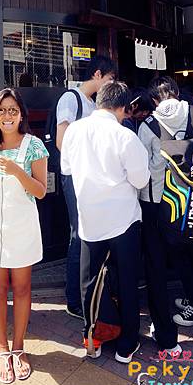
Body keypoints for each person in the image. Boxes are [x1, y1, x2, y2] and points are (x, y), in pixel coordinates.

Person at [61, 81, 150, 363]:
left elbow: (67, 169)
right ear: (123, 108)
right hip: (123, 220)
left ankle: (93, 338)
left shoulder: (75, 130)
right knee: (126, 280)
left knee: (89, 282)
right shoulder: (125, 136)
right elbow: (141, 179)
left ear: (98, 101)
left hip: (89, 219)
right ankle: (126, 344)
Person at [0, 88, 48, 384]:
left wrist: (18, 171)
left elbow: (41, 190)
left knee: (23, 288)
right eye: (1, 110)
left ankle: (19, 348)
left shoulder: (35, 146)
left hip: (23, 227)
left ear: (21, 114)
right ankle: (2, 349)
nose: (7, 116)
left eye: (12, 110)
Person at [138, 76, 193, 344]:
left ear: (154, 100)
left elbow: (145, 172)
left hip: (162, 205)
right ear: (176, 92)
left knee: (172, 260)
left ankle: (184, 311)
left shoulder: (149, 125)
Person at [56, 55, 116, 319]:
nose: (112, 84)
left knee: (89, 233)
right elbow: (62, 141)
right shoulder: (71, 98)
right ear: (99, 75)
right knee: (78, 234)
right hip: (76, 175)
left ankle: (88, 294)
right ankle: (74, 300)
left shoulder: (93, 104)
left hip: (90, 176)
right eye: (111, 79)